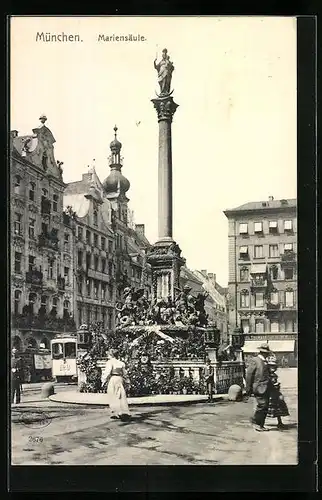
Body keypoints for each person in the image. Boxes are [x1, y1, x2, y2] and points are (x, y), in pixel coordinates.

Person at [245, 343, 272, 432]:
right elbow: (249, 375)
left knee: (265, 406)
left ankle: (261, 424)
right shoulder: (255, 360)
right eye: (267, 353)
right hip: (259, 387)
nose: (268, 354)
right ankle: (256, 422)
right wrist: (248, 389)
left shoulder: (265, 361)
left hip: (266, 387)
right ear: (263, 352)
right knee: (262, 405)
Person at [101, 348, 131, 421]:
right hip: (120, 379)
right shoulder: (121, 363)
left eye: (108, 354)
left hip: (113, 379)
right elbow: (125, 374)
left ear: (111, 355)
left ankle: (115, 412)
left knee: (112, 394)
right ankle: (122, 411)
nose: (108, 356)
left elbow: (107, 372)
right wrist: (127, 381)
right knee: (120, 394)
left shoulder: (110, 362)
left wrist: (103, 380)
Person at [266, 356, 290, 429]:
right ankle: (261, 422)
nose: (273, 369)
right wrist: (273, 385)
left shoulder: (274, 375)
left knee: (279, 407)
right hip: (270, 392)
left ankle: (279, 422)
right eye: (271, 367)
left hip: (276, 392)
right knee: (267, 407)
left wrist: (277, 385)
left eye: (274, 367)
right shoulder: (267, 375)